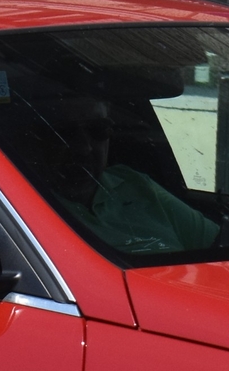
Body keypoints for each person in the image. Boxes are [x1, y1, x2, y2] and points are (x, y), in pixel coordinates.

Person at [32, 95, 218, 255]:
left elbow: (219, 244)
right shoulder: (23, 206)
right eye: (64, 133)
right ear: (37, 139)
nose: (84, 147)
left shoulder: (133, 182)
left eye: (98, 130)